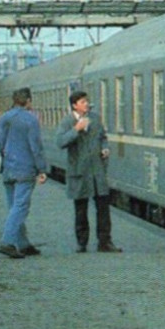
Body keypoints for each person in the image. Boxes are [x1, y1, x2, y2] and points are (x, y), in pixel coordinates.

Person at [55, 90, 120, 254]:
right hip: (79, 171)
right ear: (74, 105)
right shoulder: (67, 121)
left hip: (97, 171)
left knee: (103, 208)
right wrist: (76, 130)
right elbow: (60, 142)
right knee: (81, 209)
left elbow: (103, 137)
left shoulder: (95, 119)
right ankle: (82, 243)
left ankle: (105, 242)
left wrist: (105, 148)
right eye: (83, 102)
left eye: (87, 101)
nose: (87, 104)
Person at [0, 87, 48, 259]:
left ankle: (23, 244)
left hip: (8, 168)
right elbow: (35, 147)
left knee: (14, 207)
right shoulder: (30, 120)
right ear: (28, 101)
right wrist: (41, 169)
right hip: (25, 169)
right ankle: (8, 242)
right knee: (21, 207)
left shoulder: (4, 118)